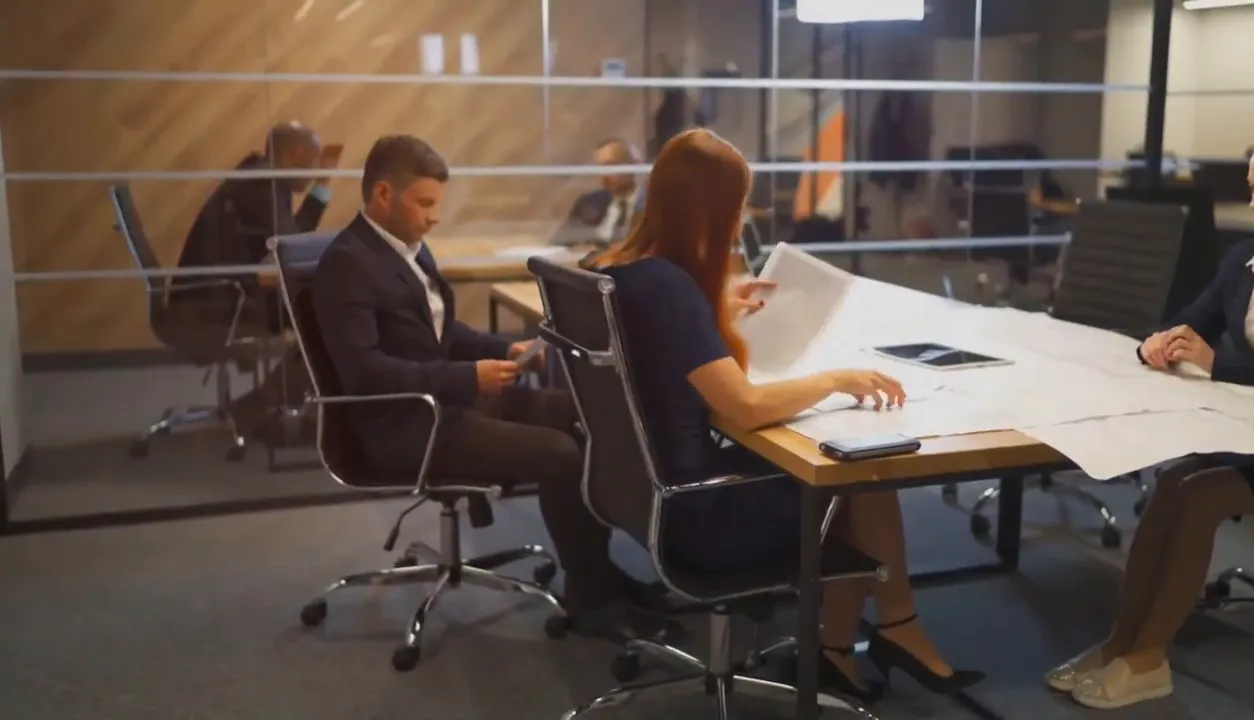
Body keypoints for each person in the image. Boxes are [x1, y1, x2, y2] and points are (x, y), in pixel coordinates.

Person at [586, 128, 984, 703]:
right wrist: (835, 379)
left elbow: (655, 336)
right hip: (700, 515)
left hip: (644, 494)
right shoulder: (669, 289)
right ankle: (885, 632)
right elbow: (744, 408)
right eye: (738, 203)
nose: (744, 214)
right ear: (711, 208)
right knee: (863, 474)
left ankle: (854, 648)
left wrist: (714, 308)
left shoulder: (621, 268)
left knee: (853, 470)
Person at [310, 135, 664, 638]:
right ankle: (591, 595)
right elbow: (365, 373)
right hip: (406, 425)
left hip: (443, 403)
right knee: (560, 453)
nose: (434, 217)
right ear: (383, 195)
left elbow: (441, 332)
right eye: (425, 204)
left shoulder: (404, 248)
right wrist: (467, 376)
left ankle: (599, 573)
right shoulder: (349, 264)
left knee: (577, 411)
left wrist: (500, 350)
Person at [1046, 131, 1254, 710]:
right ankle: (1120, 643)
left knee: (1198, 496)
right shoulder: (1243, 262)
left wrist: (1214, 361)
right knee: (1172, 484)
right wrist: (1163, 341)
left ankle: (1149, 658)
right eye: (1253, 190)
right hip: (1253, 430)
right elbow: (1191, 320)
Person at [174, 121, 343, 438]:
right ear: (294, 153)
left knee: (329, 315)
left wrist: (323, 181)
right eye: (314, 159)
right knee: (336, 318)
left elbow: (291, 236)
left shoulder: (261, 178)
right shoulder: (260, 185)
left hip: (220, 296)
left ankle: (281, 404)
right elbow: (291, 245)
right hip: (214, 304)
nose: (315, 168)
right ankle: (271, 403)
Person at [550, 138, 645, 248]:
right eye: (600, 168)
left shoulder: (652, 204)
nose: (604, 174)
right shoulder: (589, 203)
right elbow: (560, 241)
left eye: (610, 165)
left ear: (631, 165)